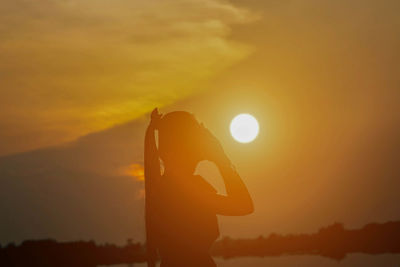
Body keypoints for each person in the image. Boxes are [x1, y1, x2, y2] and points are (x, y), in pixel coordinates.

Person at [144, 108, 254, 267]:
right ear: (186, 145)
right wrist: (221, 160)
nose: (205, 138)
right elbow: (243, 206)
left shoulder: (166, 185)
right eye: (198, 134)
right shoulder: (183, 189)